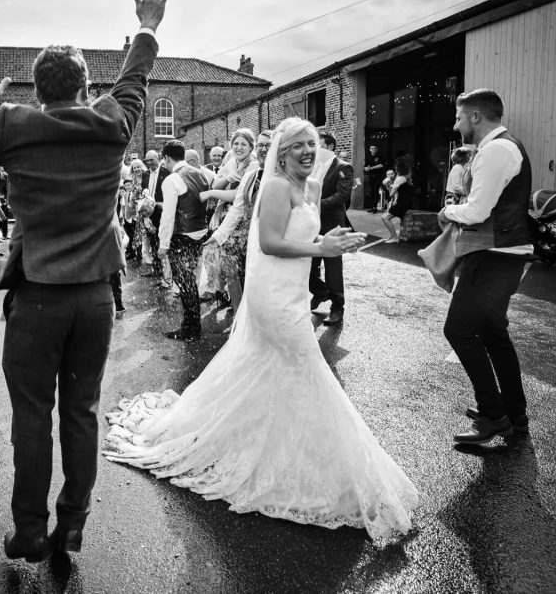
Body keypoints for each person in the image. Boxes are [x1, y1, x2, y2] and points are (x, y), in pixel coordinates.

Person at [0, 0, 169, 562]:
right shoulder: (112, 123)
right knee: (82, 413)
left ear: (38, 92)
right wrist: (146, 27)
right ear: (87, 86)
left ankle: (29, 531)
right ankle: (73, 525)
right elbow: (135, 79)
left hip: (37, 298)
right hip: (95, 298)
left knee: (31, 419)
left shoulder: (15, 126)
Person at [103, 118, 417, 542]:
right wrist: (320, 247)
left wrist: (333, 238)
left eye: (312, 144)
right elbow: (269, 242)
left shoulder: (308, 188)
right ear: (281, 153)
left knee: (272, 371)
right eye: (298, 145)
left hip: (292, 291)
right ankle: (320, 466)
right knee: (305, 368)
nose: (308, 150)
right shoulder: (274, 186)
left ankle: (283, 451)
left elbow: (302, 233)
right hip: (274, 297)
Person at [439, 89, 532, 445]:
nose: (456, 123)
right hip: (504, 253)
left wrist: (447, 212)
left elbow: (477, 211)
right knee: (493, 334)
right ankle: (516, 418)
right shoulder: (503, 148)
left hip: (496, 255)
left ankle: (493, 415)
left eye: (460, 117)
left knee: (458, 330)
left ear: (476, 116)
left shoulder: (495, 150)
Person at [203, 130, 271, 314]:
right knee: (229, 265)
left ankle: (248, 309)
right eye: (236, 144)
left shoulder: (255, 167)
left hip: (252, 226)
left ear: (250, 148)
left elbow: (238, 197)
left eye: (244, 144)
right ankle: (237, 309)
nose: (239, 147)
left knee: (246, 270)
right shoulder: (232, 163)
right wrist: (226, 178)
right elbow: (219, 186)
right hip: (232, 221)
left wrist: (211, 194)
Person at [157, 140, 210, 340]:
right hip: (199, 232)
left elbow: (168, 216)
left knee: (185, 282)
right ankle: (192, 324)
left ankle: (191, 328)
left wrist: (163, 245)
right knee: (191, 280)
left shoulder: (172, 179)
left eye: (164, 160)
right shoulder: (199, 173)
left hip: (182, 236)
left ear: (167, 158)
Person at [309, 133, 354, 326]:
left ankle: (337, 307)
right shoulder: (311, 167)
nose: (314, 149)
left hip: (332, 226)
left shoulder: (343, 167)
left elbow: (343, 195)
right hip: (311, 225)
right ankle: (320, 292)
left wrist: (315, 204)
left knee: (333, 268)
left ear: (330, 146)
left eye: (318, 144)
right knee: (309, 267)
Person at [140, 149, 167, 280]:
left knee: (162, 240)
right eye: (147, 160)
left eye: (152, 159)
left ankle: (167, 274)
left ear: (158, 158)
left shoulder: (166, 173)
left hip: (161, 211)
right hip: (147, 213)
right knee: (153, 241)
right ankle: (157, 270)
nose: (149, 162)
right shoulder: (145, 174)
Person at [381, 158, 414, 242]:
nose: (395, 170)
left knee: (385, 218)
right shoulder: (406, 177)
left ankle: (394, 237)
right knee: (386, 216)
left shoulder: (399, 179)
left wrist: (388, 186)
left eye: (396, 168)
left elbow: (391, 194)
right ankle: (393, 237)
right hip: (406, 202)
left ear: (399, 169)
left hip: (402, 203)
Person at [363, 144, 385, 212]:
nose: (373, 149)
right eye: (372, 148)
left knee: (376, 191)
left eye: (375, 148)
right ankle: (372, 206)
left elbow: (381, 165)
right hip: (370, 176)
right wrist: (366, 168)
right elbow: (365, 166)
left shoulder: (380, 156)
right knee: (371, 191)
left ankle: (375, 207)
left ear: (377, 149)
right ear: (370, 149)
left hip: (377, 176)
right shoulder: (368, 157)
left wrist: (372, 168)